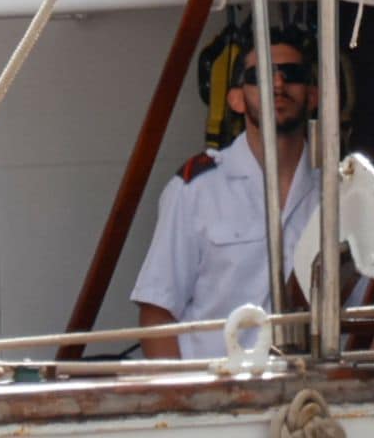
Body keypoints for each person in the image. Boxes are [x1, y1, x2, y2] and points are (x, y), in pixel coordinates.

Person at [131, 30, 321, 359]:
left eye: (292, 74)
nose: (277, 84)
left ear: (314, 95)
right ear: (235, 99)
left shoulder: (340, 194)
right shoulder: (196, 190)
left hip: (315, 398)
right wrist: (184, 404)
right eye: (258, 76)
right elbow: (157, 312)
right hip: (218, 395)